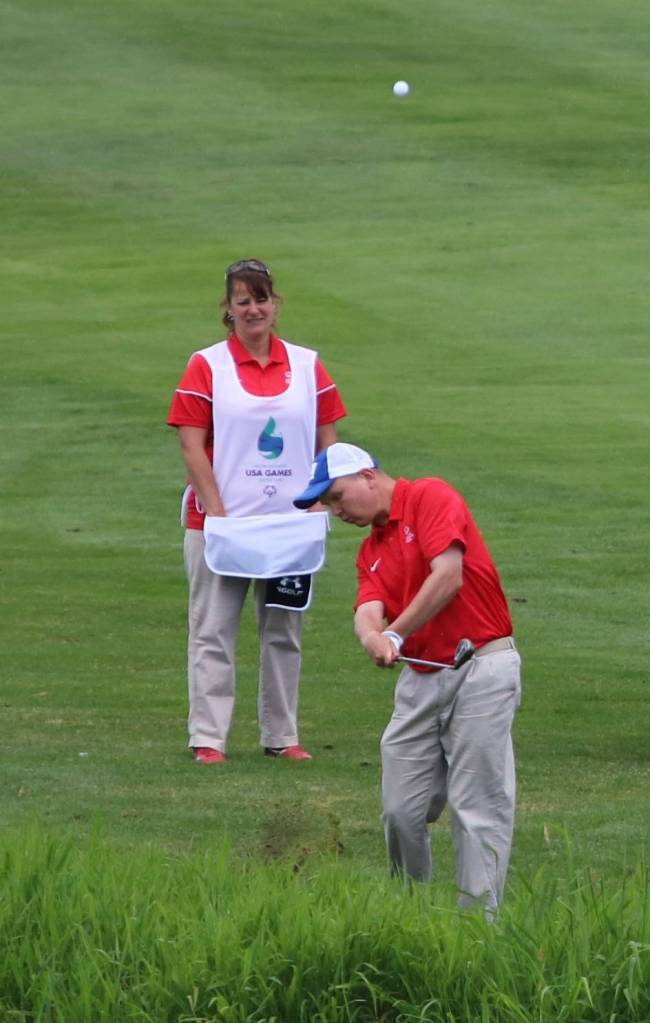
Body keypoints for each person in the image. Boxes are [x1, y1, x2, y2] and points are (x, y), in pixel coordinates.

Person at [294, 443, 521, 913]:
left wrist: (393, 636)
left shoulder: (430, 497)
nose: (336, 512)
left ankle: (478, 929)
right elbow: (367, 607)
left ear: (368, 477)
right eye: (329, 505)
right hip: (422, 677)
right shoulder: (371, 549)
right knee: (401, 810)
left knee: (478, 808)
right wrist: (372, 636)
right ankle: (412, 914)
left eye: (338, 497)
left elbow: (448, 575)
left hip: (480, 665)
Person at [167, 259, 346, 765]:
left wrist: (318, 499)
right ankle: (208, 738)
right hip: (219, 524)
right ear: (227, 308)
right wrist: (219, 513)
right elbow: (192, 445)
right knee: (212, 631)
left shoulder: (308, 365)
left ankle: (281, 735)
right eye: (242, 300)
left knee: (283, 632)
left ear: (276, 304)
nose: (253, 309)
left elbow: (326, 439)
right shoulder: (207, 365)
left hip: (289, 526)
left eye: (261, 298)